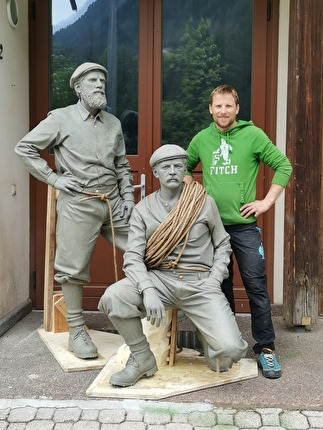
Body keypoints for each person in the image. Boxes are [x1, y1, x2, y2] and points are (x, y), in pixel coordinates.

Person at [98, 144, 248, 387]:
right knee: (114, 297)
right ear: (155, 172)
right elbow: (133, 258)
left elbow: (223, 244)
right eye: (165, 167)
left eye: (178, 166)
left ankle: (210, 341)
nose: (172, 171)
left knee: (229, 353)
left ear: (184, 170)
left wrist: (214, 279)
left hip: (199, 282)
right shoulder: (143, 209)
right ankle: (141, 357)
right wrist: (147, 289)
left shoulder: (202, 203)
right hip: (159, 279)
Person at [15, 62, 135, 360]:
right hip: (78, 203)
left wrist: (129, 198)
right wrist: (54, 179)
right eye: (92, 80)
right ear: (78, 88)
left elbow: (121, 165)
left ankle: (143, 319)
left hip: (113, 203)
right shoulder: (60, 119)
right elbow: (25, 148)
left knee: (145, 249)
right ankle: (77, 331)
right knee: (72, 269)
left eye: (102, 81)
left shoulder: (113, 123)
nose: (99, 85)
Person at [184, 84, 292, 379]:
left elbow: (283, 166)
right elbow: (183, 166)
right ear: (210, 109)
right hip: (211, 228)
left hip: (244, 228)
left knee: (256, 285)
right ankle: (226, 344)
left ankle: (266, 349)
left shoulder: (253, 135)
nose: (223, 111)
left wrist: (266, 201)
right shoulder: (202, 139)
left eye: (228, 106)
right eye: (218, 106)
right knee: (220, 287)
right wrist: (191, 187)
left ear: (237, 108)